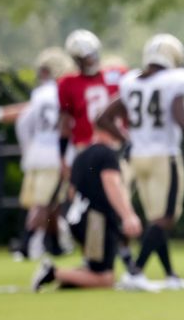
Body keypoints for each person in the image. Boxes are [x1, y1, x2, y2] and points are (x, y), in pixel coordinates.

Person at [96, 34, 184, 290]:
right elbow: (181, 119)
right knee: (164, 219)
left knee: (156, 219)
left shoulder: (132, 82)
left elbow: (103, 118)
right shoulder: (175, 81)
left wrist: (127, 139)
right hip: (163, 156)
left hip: (138, 157)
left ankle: (169, 274)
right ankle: (136, 272)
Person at [31, 124, 143, 292]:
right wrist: (128, 215)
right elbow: (111, 184)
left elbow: (71, 192)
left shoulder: (81, 156)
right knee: (105, 278)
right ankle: (53, 272)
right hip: (96, 222)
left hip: (79, 218)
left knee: (95, 269)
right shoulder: (107, 155)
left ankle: (71, 280)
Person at [13, 48, 75, 260]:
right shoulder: (63, 90)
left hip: (37, 151)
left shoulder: (39, 93)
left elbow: (23, 123)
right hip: (54, 152)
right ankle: (25, 244)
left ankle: (55, 245)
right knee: (44, 201)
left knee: (52, 202)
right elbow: (68, 125)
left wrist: (28, 149)